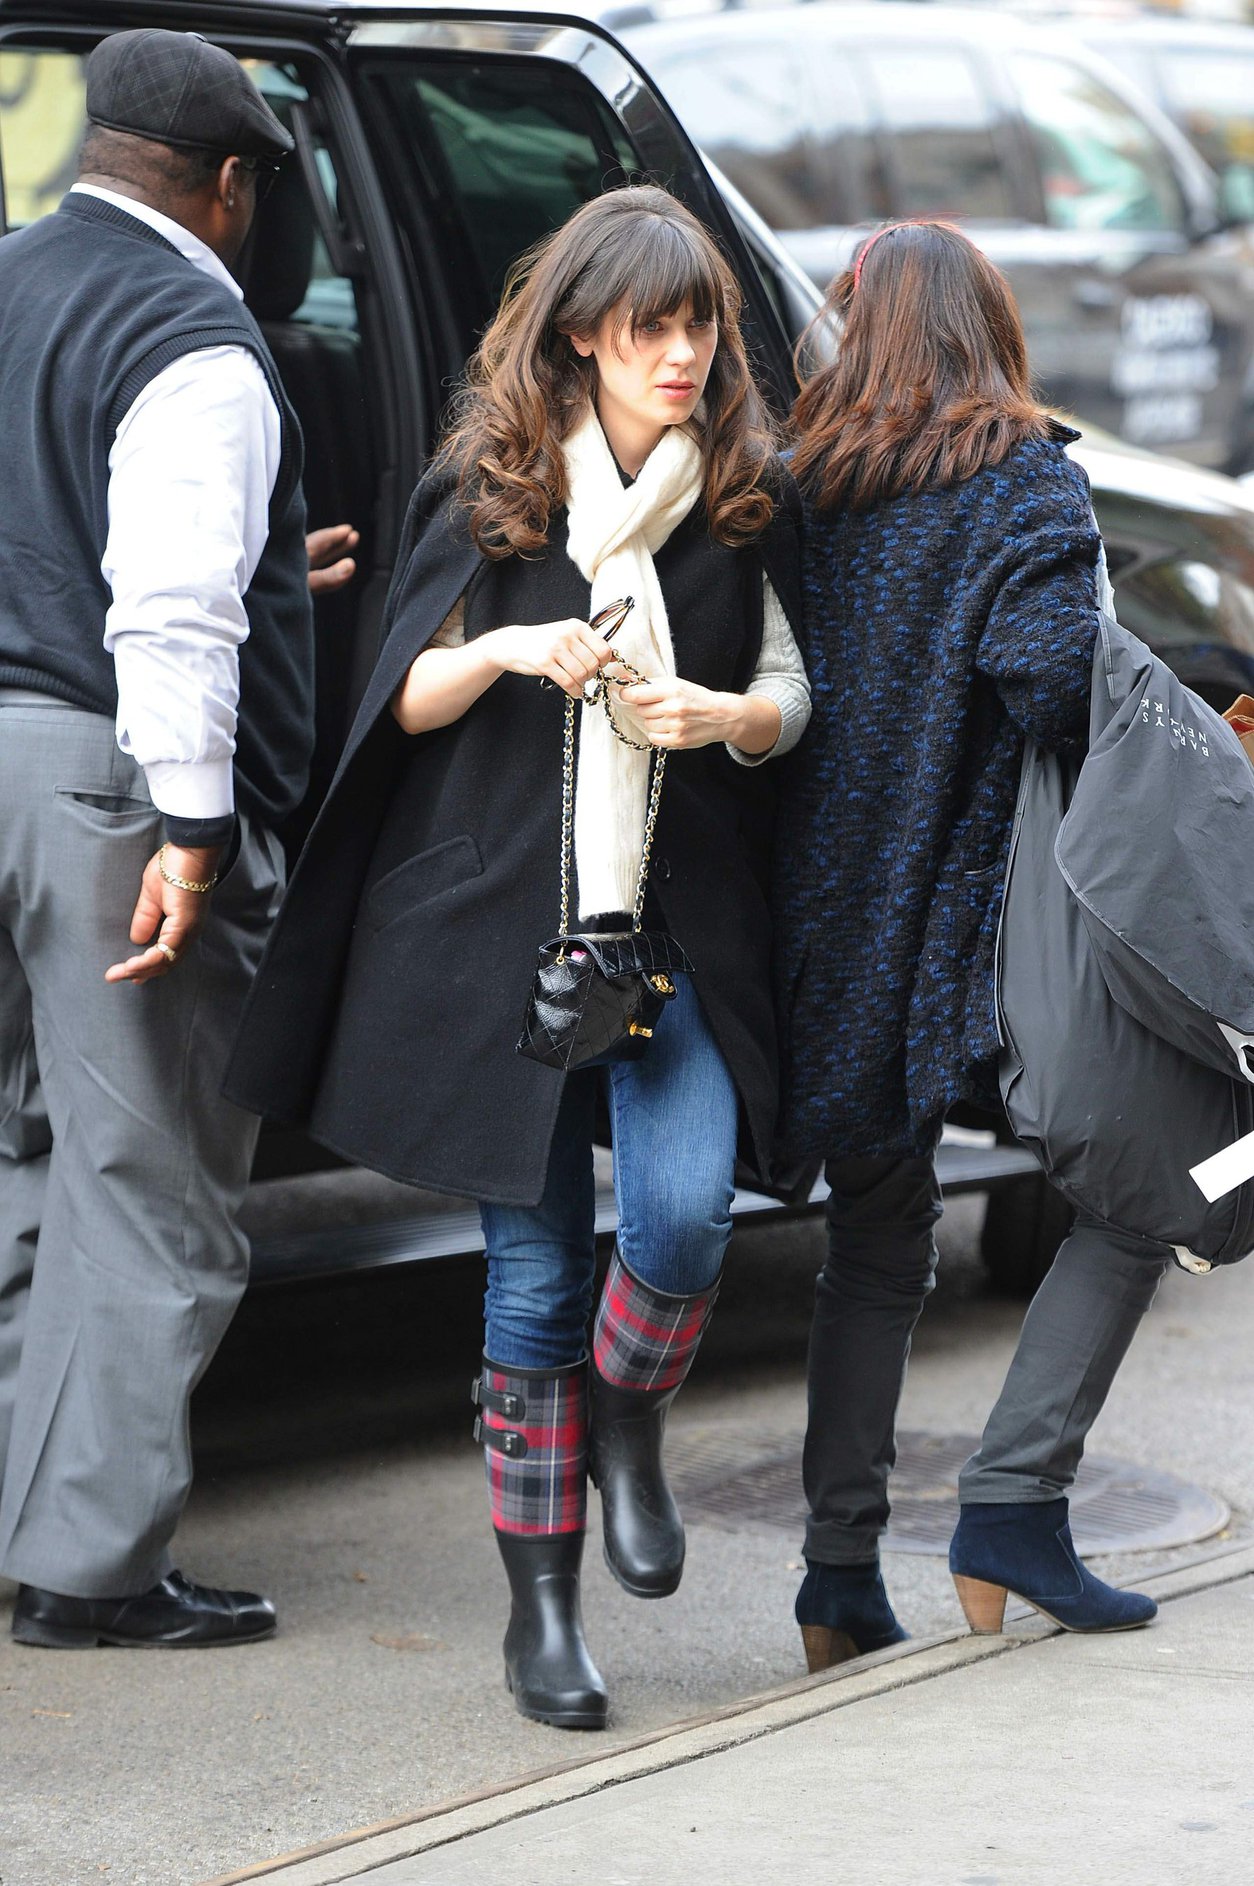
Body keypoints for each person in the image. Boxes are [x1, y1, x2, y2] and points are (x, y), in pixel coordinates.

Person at [225, 184, 809, 1728]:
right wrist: (499, 648)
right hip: (506, 951)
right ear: (579, 339)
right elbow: (396, 701)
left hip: (669, 949)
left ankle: (628, 1418)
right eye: (648, 329)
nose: (681, 355)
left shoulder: (740, 494)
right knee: (533, 1282)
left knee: (681, 1226)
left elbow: (788, 686)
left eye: (698, 327)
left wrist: (729, 718)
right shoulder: (490, 496)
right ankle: (540, 1621)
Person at [775, 220, 1164, 1670]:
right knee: (1141, 1188)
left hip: (831, 933)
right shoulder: (1022, 479)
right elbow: (1050, 676)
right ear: (991, 328)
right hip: (978, 939)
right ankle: (1010, 1504)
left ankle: (835, 1575)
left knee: (874, 1241)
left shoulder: (798, 486)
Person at [0, 28, 338, 1649]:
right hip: (108, 792)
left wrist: (283, 575)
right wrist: (195, 829)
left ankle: (25, 1512)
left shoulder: (9, 278)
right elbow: (169, 605)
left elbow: (60, 532)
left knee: (16, 1162)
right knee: (153, 1188)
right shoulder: (193, 326)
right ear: (225, 183)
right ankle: (90, 1573)